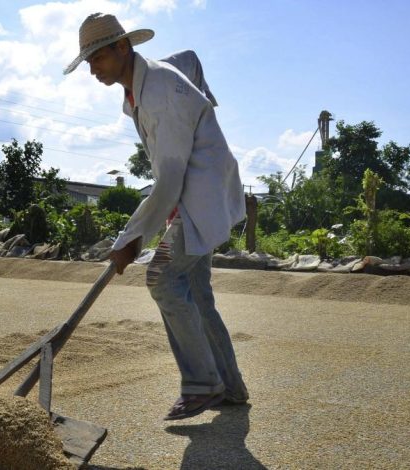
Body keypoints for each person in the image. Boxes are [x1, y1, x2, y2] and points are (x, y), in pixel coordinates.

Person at [64, 13, 248, 421]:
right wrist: (203, 97)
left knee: (161, 275)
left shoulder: (159, 93)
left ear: (123, 47)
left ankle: (204, 385)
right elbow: (191, 58)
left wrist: (132, 240)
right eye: (88, 60)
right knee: (196, 294)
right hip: (195, 194)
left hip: (198, 197)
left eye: (97, 57)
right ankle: (231, 387)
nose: (92, 68)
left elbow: (168, 179)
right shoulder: (144, 85)